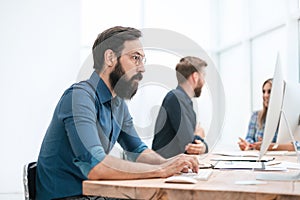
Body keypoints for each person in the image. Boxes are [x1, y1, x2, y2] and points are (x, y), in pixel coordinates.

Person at [36, 26, 199, 200]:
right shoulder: (79, 98)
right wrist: (161, 170)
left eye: (143, 60)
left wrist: (170, 163)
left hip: (93, 194)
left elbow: (138, 151)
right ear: (110, 58)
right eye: (135, 58)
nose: (142, 68)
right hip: (68, 196)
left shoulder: (118, 103)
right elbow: (96, 165)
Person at [152, 56, 209, 158]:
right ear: (195, 77)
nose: (204, 82)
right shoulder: (176, 98)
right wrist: (199, 136)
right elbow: (189, 145)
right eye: (203, 76)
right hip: (166, 168)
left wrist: (203, 146)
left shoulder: (183, 100)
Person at [238, 78, 295, 151]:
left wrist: (270, 146)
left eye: (269, 92)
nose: (265, 95)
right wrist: (248, 144)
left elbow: (297, 145)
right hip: (260, 159)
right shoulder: (255, 116)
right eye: (263, 91)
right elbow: (249, 138)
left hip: (283, 160)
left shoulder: (290, 118)